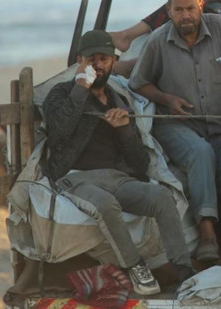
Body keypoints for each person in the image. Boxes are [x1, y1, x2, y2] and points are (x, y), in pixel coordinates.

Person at [129, 0, 221, 266]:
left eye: (190, 8)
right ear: (169, 11)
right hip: (178, 126)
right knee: (200, 152)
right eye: (178, 10)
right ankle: (207, 236)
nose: (185, 15)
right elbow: (138, 83)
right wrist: (167, 99)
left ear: (201, 6)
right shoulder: (157, 41)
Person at [42, 30, 194, 295]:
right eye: (91, 60)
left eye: (104, 59)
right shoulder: (62, 93)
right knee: (105, 203)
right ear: (79, 61)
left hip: (118, 177)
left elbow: (139, 163)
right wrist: (81, 87)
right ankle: (136, 267)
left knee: (161, 197)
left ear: (113, 61)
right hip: (76, 177)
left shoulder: (118, 100)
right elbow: (58, 132)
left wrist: (124, 131)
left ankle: (184, 270)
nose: (98, 65)